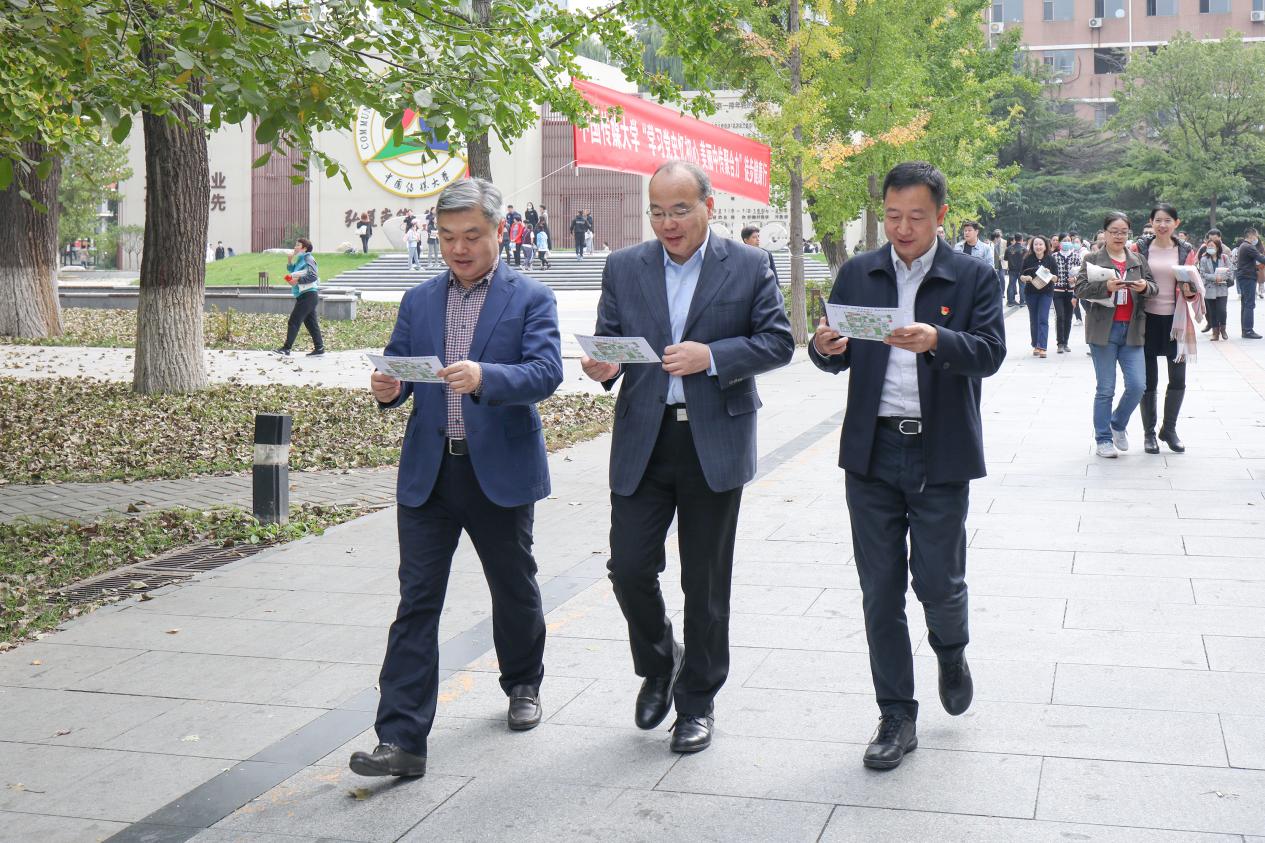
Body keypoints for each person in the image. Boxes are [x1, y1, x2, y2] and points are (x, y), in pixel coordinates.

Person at [351, 177, 564, 779]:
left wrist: (486, 377)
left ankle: (522, 682)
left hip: (498, 472)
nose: (459, 248)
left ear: (498, 232)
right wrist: (388, 388)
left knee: (512, 586)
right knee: (417, 601)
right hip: (431, 473)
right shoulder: (419, 300)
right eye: (447, 237)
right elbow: (400, 368)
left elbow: (546, 372)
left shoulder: (530, 298)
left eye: (471, 235)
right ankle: (401, 740)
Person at [581, 160, 794, 754]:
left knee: (704, 582)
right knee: (628, 567)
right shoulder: (625, 266)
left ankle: (697, 702)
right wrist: (604, 366)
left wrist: (714, 357)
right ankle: (659, 663)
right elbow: (612, 344)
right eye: (657, 212)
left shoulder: (748, 264)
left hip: (714, 441)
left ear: (708, 206)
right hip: (644, 440)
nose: (667, 223)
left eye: (679, 210)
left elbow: (778, 342)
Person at [809, 161, 1005, 770]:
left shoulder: (972, 276)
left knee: (938, 583)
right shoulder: (859, 272)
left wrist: (937, 341)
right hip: (872, 450)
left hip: (939, 450)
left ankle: (951, 648)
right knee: (880, 588)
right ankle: (896, 714)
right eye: (893, 216)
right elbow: (837, 356)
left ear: (940, 215)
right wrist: (823, 347)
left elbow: (991, 353)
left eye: (916, 217)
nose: (902, 228)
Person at [1074, 211, 1157, 459]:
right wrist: (1105, 286)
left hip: (1132, 330)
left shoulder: (1138, 259)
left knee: (1138, 385)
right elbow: (1079, 289)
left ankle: (1118, 424)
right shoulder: (1092, 259)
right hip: (1103, 330)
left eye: (1124, 232)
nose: (1119, 236)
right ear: (1105, 233)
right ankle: (1103, 439)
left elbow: (1154, 287)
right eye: (1114, 232)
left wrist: (1145, 287)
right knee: (1106, 388)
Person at [1135, 204, 1202, 454]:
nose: (1162, 225)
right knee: (1148, 381)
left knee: (1178, 379)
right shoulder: (1139, 249)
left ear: (1176, 223)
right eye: (1158, 220)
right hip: (1146, 320)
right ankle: (1149, 434)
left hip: (1176, 321)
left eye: (1167, 220)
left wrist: (1190, 291)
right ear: (1151, 222)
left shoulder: (1186, 251)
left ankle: (1169, 429)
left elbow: (1193, 290)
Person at [274, 238, 325, 357]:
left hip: (308, 295)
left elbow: (313, 276)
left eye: (298, 245)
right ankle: (319, 348)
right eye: (295, 245)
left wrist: (298, 280)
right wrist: (289, 260)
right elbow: (292, 271)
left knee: (294, 321)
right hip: (304, 295)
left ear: (304, 248)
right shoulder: (301, 259)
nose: (295, 247)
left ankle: (286, 349)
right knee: (311, 324)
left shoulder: (308, 258)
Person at [1019, 235, 1057, 358]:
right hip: (1031, 292)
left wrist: (1050, 275)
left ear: (1045, 246)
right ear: (1032, 246)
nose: (1038, 247)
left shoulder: (1051, 259)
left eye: (1041, 244)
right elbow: (1021, 276)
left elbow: (1056, 278)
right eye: (1036, 244)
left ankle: (1042, 346)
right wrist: (1026, 278)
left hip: (1046, 292)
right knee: (1034, 319)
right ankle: (1035, 344)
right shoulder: (1027, 259)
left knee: (1043, 318)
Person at [1200, 233, 1233, 342]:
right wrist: (1215, 277)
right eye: (1208, 246)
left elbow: (1230, 271)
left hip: (1222, 288)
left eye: (1212, 246)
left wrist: (1223, 277)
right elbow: (1202, 274)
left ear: (1217, 247)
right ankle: (1215, 332)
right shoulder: (1204, 259)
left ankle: (1223, 329)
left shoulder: (1224, 257)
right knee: (1212, 312)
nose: (1210, 248)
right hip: (1209, 289)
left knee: (1222, 310)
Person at [1052, 232, 1081, 353]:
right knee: (1060, 316)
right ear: (1059, 242)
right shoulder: (1054, 256)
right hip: (1057, 290)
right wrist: (1054, 278)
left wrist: (1075, 279)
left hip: (1071, 291)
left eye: (1069, 240)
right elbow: (1050, 272)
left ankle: (1066, 342)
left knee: (1068, 317)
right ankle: (1060, 343)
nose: (1067, 242)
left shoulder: (1076, 256)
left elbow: (1082, 273)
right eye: (1064, 240)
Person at [1234, 227, 1265, 338]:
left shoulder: (1243, 246)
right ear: (1251, 235)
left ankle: (1245, 330)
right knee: (1249, 304)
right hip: (1248, 277)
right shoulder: (1248, 246)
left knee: (1246, 303)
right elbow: (1261, 258)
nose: (1257, 238)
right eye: (1256, 236)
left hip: (1244, 277)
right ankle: (1248, 331)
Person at [1004, 235, 1026, 307]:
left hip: (1012, 270)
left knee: (1011, 285)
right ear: (1021, 239)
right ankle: (1022, 301)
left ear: (1015, 239)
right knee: (1022, 285)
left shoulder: (1008, 248)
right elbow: (1027, 260)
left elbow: (1005, 259)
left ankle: (1010, 301)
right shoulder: (1024, 249)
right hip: (1022, 270)